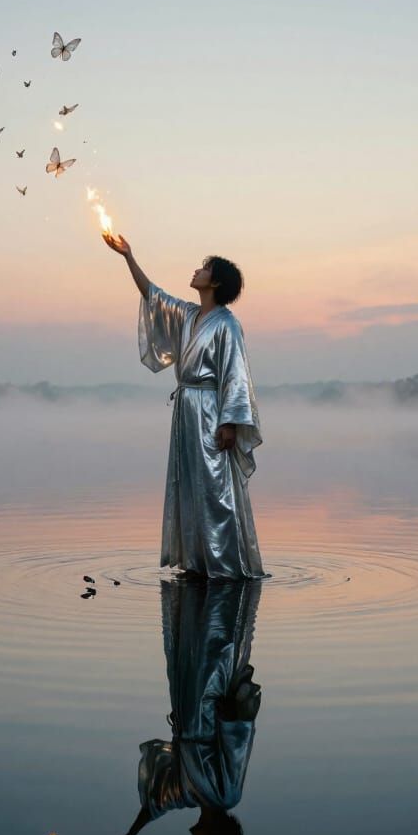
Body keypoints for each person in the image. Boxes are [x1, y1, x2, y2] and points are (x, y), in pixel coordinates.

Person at [103, 233, 265, 579]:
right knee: (190, 484)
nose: (197, 270)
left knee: (215, 487)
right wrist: (128, 256)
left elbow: (235, 375)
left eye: (204, 268)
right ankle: (197, 562)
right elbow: (153, 295)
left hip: (211, 410)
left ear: (215, 282)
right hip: (187, 409)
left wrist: (229, 423)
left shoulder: (228, 325)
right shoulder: (189, 315)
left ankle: (226, 566)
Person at [101, 577, 263, 835]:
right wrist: (232, 716)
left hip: (186, 711)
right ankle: (218, 595)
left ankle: (193, 595)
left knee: (187, 647)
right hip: (207, 712)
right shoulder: (226, 795)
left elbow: (154, 806)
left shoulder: (189, 794)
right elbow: (236, 751)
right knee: (210, 651)